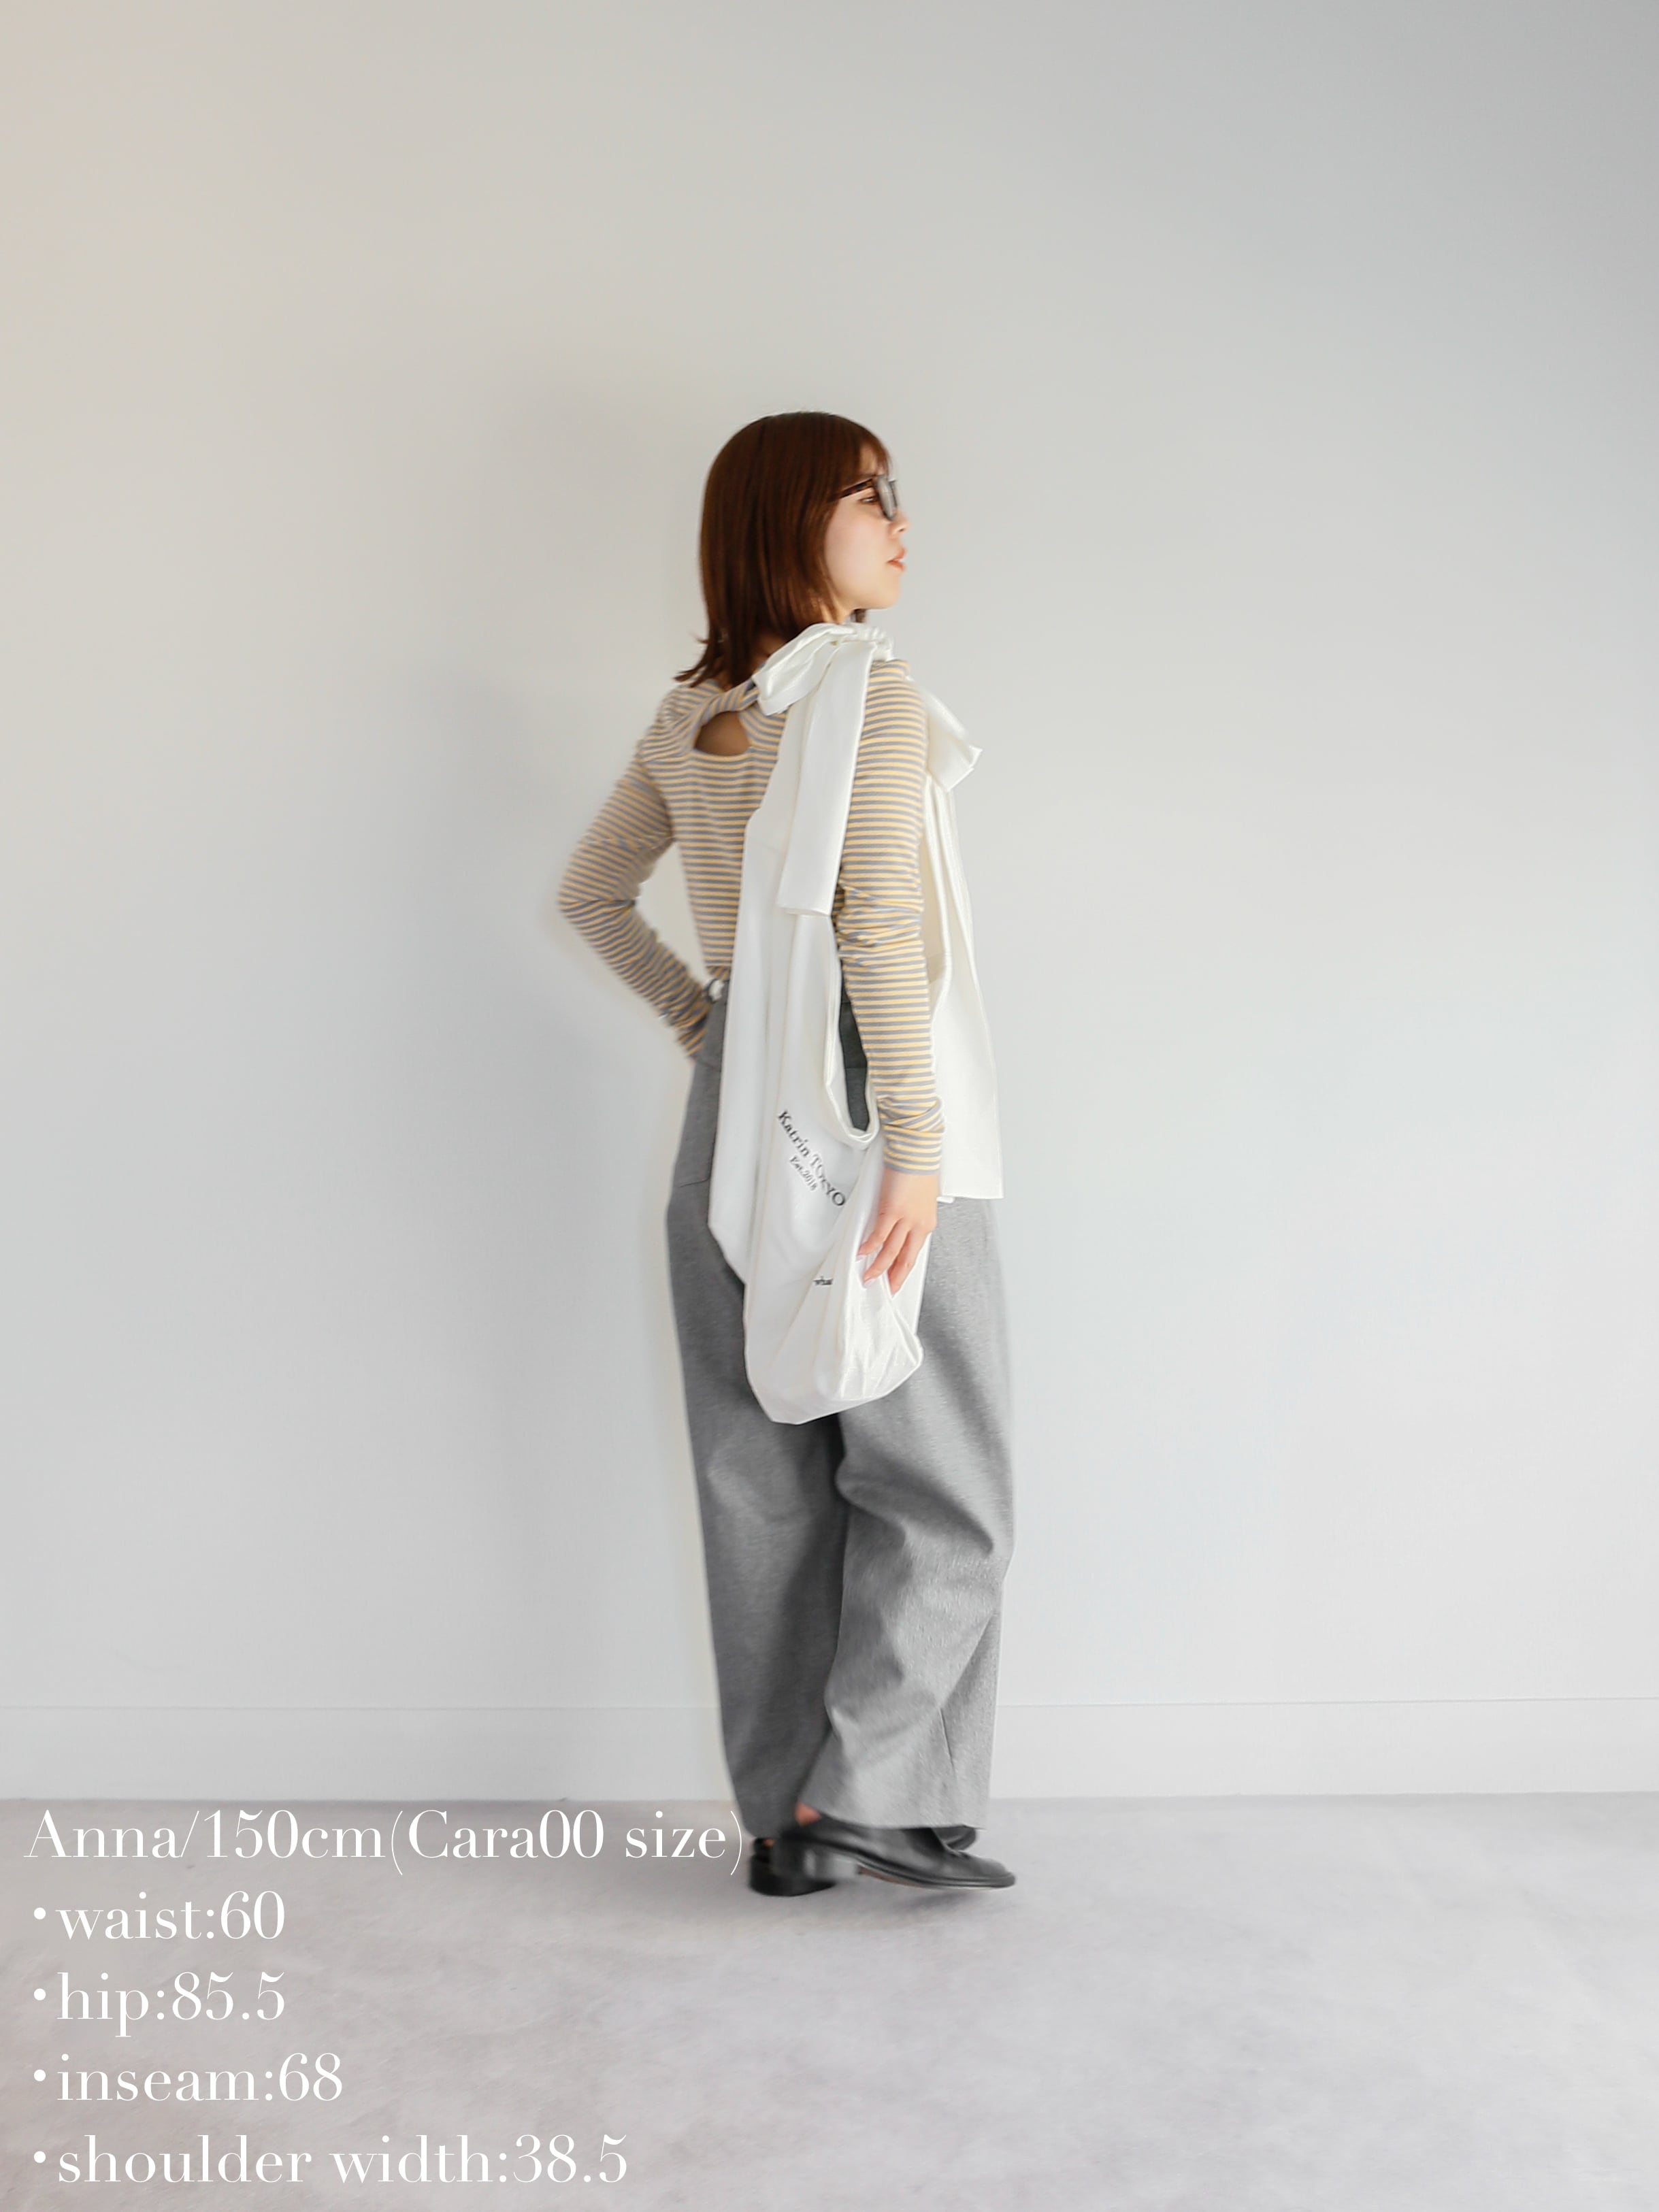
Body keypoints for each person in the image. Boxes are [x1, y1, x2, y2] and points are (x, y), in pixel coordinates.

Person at [557, 412, 1015, 1894]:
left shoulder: (690, 719)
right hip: (870, 1101)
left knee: (760, 1471)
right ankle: (871, 1795)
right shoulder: (870, 697)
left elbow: (592, 894)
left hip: (735, 1116)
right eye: (869, 496)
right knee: (940, 1476)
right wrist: (918, 1148)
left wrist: (710, 1028)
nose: (900, 523)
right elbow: (874, 927)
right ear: (788, 522)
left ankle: (787, 1824)